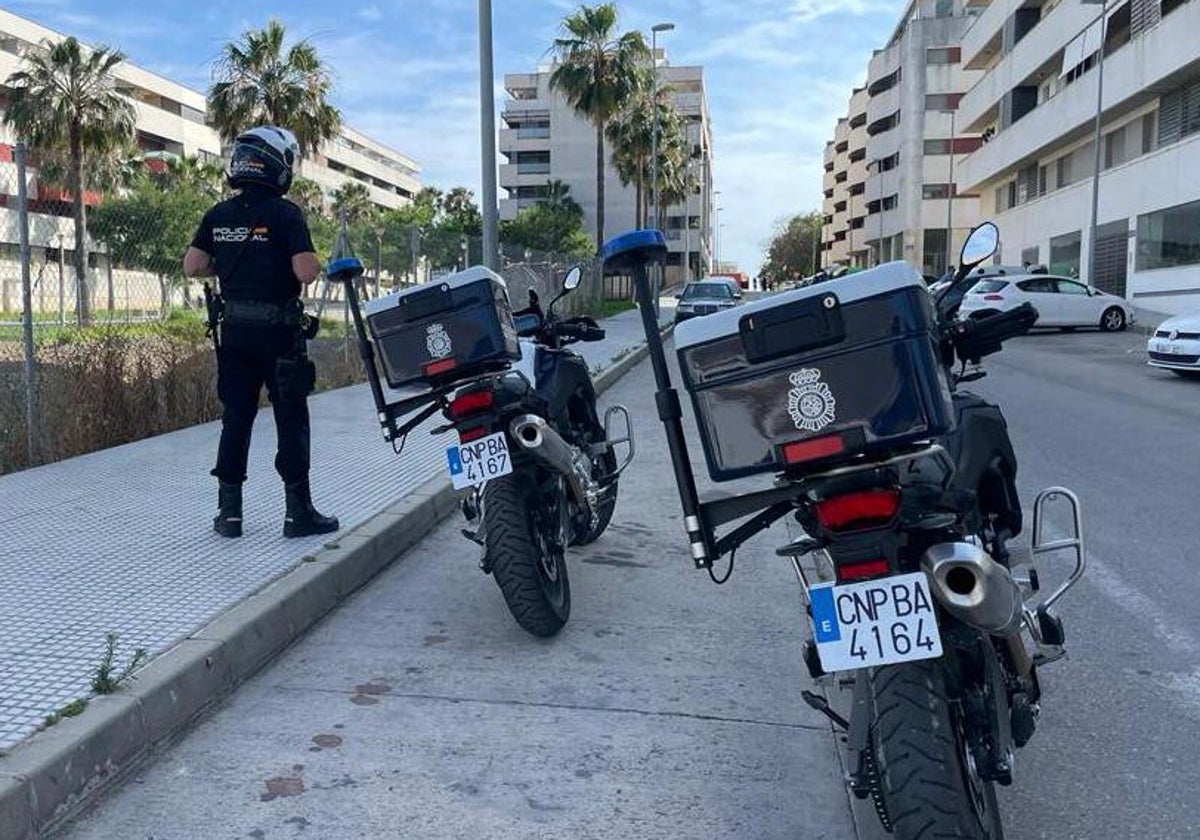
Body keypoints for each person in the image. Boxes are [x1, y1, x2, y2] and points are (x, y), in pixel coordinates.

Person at [183, 125, 338, 540]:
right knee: (291, 419)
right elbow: (305, 272)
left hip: (234, 335)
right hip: (280, 336)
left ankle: (229, 514)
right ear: (279, 165)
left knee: (236, 418)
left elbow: (193, 265)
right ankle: (297, 512)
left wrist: (234, 263)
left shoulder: (218, 215)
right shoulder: (286, 214)